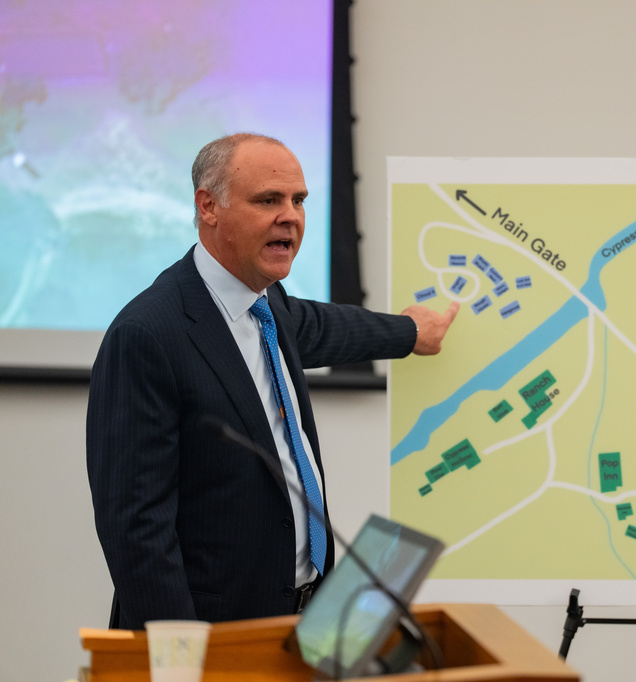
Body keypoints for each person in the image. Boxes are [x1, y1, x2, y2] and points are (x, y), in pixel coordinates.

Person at [86, 133, 458, 630]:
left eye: (298, 200)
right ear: (208, 206)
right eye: (268, 200)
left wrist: (411, 332)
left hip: (308, 622)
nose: (292, 216)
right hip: (216, 637)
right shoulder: (148, 335)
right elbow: (136, 531)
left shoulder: (269, 305)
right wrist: (184, 660)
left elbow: (326, 329)